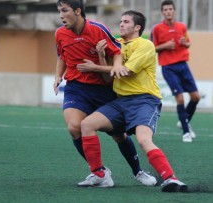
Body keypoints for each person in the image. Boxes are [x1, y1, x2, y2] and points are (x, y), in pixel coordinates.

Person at [76, 10, 188, 192]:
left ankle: (171, 179)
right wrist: (103, 57)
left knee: (144, 140)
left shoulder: (145, 45)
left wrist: (94, 66)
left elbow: (126, 71)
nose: (121, 24)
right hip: (120, 101)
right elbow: (108, 80)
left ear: (137, 27)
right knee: (86, 124)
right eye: (120, 21)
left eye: (126, 21)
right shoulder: (116, 44)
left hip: (144, 100)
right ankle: (100, 175)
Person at [54, 0, 156, 187]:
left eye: (64, 11)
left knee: (119, 134)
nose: (60, 15)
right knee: (74, 127)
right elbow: (61, 56)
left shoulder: (98, 29)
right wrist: (58, 75)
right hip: (76, 88)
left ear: (77, 11)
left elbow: (116, 51)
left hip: (102, 90)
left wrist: (116, 66)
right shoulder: (60, 33)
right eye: (59, 11)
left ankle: (138, 171)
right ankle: (100, 173)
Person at [150, 0, 200, 143]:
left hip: (183, 66)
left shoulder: (182, 26)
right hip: (168, 68)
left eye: (170, 9)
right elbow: (152, 48)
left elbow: (188, 42)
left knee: (196, 97)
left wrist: (186, 43)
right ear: (162, 12)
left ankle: (184, 121)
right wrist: (165, 45)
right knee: (180, 98)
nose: (168, 12)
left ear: (174, 11)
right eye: (165, 10)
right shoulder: (157, 29)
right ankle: (186, 132)